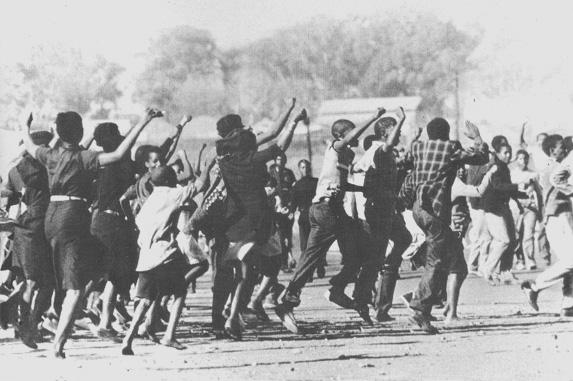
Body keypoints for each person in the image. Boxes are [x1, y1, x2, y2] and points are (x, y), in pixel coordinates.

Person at [21, 108, 161, 358]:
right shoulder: (85, 158)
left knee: (63, 277)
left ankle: (45, 319)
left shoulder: (51, 155)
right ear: (81, 131)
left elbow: (31, 146)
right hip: (72, 216)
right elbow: (118, 154)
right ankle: (58, 344)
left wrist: (25, 124)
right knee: (76, 287)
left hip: (50, 217)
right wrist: (144, 120)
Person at [276, 107, 387, 333]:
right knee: (312, 257)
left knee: (358, 253)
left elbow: (342, 184)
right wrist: (373, 117)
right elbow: (349, 138)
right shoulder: (336, 147)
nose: (355, 137)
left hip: (335, 210)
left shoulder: (347, 156)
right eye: (350, 133)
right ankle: (287, 300)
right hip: (325, 210)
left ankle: (337, 289)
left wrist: (364, 187)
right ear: (340, 136)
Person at [212, 99, 304, 339]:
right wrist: (291, 116)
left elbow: (269, 136)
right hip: (259, 222)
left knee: (243, 272)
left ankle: (233, 313)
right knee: (271, 265)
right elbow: (278, 140)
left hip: (234, 223)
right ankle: (261, 300)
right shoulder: (252, 159)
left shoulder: (224, 157)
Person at [398, 118, 488, 334]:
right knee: (436, 261)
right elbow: (480, 157)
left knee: (451, 258)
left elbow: (404, 163)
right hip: (435, 209)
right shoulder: (451, 147)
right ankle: (418, 311)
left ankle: (431, 302)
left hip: (418, 208)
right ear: (447, 133)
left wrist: (413, 141)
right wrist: (476, 137)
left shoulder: (418, 147)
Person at [121, 164, 209, 355]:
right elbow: (200, 185)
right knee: (179, 293)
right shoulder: (173, 194)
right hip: (166, 254)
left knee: (145, 300)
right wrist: (209, 165)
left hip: (145, 257)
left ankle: (128, 338)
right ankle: (169, 335)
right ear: (171, 180)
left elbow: (138, 223)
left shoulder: (150, 200)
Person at [351, 109, 412, 323]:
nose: (400, 133)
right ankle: (364, 299)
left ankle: (380, 300)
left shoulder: (381, 152)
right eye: (396, 129)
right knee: (376, 258)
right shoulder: (380, 150)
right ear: (386, 133)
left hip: (386, 207)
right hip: (378, 209)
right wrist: (402, 118)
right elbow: (388, 146)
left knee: (403, 240)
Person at [1, 130, 54, 348]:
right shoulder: (45, 169)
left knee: (27, 280)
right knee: (40, 281)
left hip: (22, 228)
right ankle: (26, 325)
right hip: (39, 227)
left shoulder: (15, 170)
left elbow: (8, 197)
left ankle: (19, 319)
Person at [522, 134, 573, 317]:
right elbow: (557, 183)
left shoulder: (558, 166)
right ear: (552, 150)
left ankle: (568, 303)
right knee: (571, 260)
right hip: (556, 218)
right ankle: (534, 286)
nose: (565, 149)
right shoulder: (551, 169)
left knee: (570, 260)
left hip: (564, 215)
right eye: (562, 147)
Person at [481, 143, 527, 285]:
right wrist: (517, 187)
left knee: (512, 241)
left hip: (502, 207)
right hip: (493, 208)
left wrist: (523, 195)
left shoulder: (504, 167)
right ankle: (487, 270)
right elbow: (497, 186)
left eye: (509, 152)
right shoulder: (496, 167)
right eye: (505, 152)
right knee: (503, 240)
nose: (508, 155)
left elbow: (507, 189)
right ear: (497, 153)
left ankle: (504, 272)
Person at [511, 149, 542, 270]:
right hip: (516, 207)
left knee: (529, 234)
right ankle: (519, 259)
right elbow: (509, 191)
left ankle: (530, 260)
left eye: (525, 158)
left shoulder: (533, 174)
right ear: (516, 159)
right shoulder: (512, 174)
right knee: (517, 234)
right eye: (520, 158)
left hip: (531, 207)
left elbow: (539, 191)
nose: (523, 161)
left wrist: (539, 208)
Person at [268, 153, 297, 271]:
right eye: (278, 159)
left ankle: (287, 258)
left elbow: (293, 190)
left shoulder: (289, 173)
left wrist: (292, 208)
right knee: (279, 236)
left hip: (287, 208)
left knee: (287, 236)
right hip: (275, 208)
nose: (281, 161)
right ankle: (283, 262)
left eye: (283, 159)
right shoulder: (270, 172)